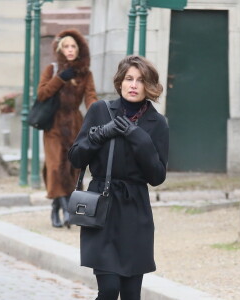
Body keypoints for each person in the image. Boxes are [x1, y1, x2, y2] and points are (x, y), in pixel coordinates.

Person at [68, 55, 169, 299]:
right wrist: (100, 134)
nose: (133, 85)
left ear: (149, 86)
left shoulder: (157, 123)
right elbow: (76, 158)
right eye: (129, 79)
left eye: (140, 80)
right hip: (103, 207)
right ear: (120, 83)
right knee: (109, 289)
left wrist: (139, 138)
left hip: (136, 210)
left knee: (132, 293)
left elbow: (157, 176)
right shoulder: (100, 110)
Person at [37, 29, 97, 228]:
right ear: (60, 49)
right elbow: (42, 94)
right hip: (54, 124)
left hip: (75, 124)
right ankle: (65, 208)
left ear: (79, 49)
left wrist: (97, 112)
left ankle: (56, 208)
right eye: (66, 46)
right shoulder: (52, 69)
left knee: (73, 168)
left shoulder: (86, 74)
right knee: (55, 167)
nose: (70, 50)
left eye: (73, 46)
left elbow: (90, 96)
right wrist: (60, 78)